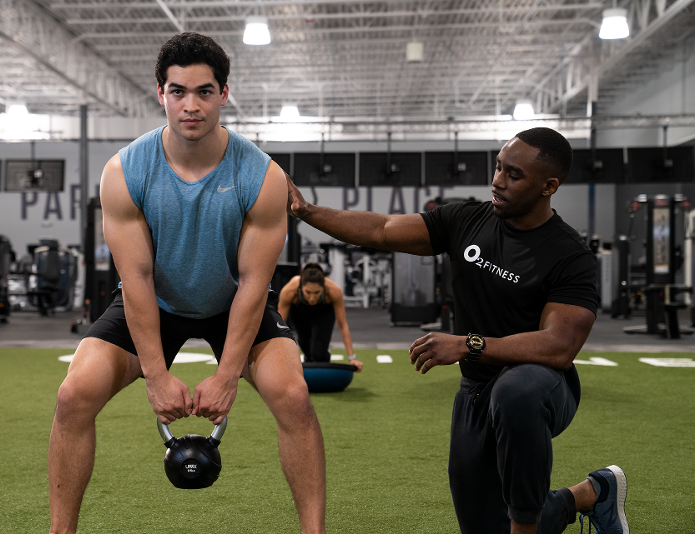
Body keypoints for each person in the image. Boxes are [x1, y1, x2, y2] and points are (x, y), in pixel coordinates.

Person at [285, 127, 628, 534]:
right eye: (498, 167)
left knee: (515, 392)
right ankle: (591, 493)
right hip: (477, 390)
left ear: (549, 186)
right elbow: (381, 228)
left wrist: (468, 344)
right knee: (485, 526)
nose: (498, 180)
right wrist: (306, 211)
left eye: (514, 175)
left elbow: (557, 346)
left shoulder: (569, 255)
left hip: (543, 386)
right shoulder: (467, 219)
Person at [48, 32, 326, 534]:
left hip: (232, 302)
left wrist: (227, 375)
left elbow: (252, 283)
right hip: (155, 302)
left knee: (294, 396)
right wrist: (155, 375)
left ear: (224, 93)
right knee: (74, 395)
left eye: (204, 91)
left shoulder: (261, 175)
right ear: (161, 94)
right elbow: (134, 277)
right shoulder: (125, 171)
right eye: (178, 92)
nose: (190, 105)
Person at [278, 262, 363, 371]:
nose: (312, 298)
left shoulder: (333, 291)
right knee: (305, 345)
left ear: (323, 287)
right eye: (308, 292)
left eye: (317, 292)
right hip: (299, 313)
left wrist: (352, 358)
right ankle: (309, 359)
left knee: (318, 353)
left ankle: (323, 359)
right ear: (301, 287)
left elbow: (342, 325)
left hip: (324, 313)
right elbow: (279, 327)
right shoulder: (289, 291)